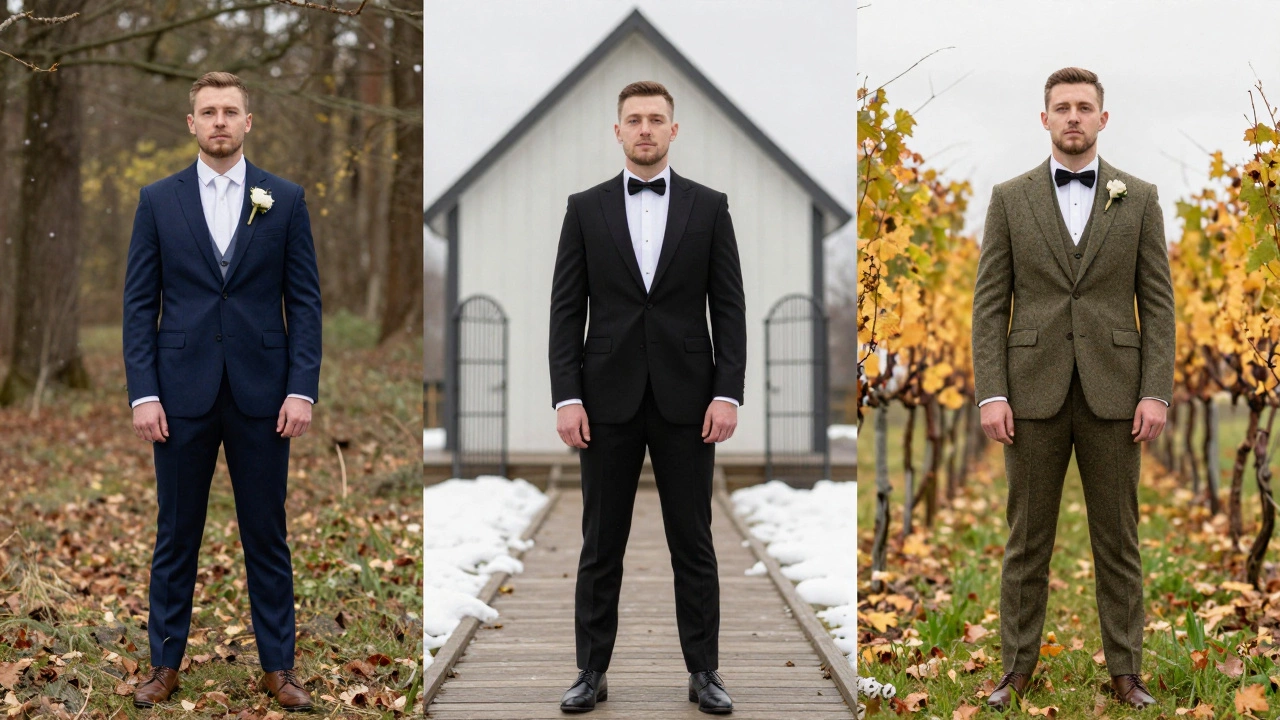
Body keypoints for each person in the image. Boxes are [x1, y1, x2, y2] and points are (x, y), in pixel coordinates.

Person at [971, 67, 1175, 711]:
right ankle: (1014, 670)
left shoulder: (1138, 197)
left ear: (1103, 119)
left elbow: (1158, 305)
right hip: (1030, 394)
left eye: (1085, 107)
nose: (1074, 117)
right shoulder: (1009, 197)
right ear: (1045, 119)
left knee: (1118, 537)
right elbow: (988, 305)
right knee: (1026, 538)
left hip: (1118, 394)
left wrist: (1156, 391)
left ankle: (1126, 672)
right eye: (1062, 107)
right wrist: (991, 391)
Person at [122, 71, 322, 712]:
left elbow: (306, 304)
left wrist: (302, 389)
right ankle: (163, 664)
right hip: (179, 395)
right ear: (191, 123)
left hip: (265, 396)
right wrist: (142, 393)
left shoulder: (283, 199)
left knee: (266, 534)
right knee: (176, 534)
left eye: (229, 111)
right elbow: (138, 306)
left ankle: (279, 669)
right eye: (207, 111)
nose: (218, 121)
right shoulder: (158, 200)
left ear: (247, 122)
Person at [547, 80, 747, 714]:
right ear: (617, 131)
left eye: (656, 119)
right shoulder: (584, 208)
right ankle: (590, 672)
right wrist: (566, 397)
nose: (644, 129)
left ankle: (705, 674)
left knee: (694, 543)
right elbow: (564, 311)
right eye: (633, 120)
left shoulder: (710, 207)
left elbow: (730, 310)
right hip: (604, 403)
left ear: (673, 130)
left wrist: (728, 393)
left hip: (690, 403)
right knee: (601, 544)